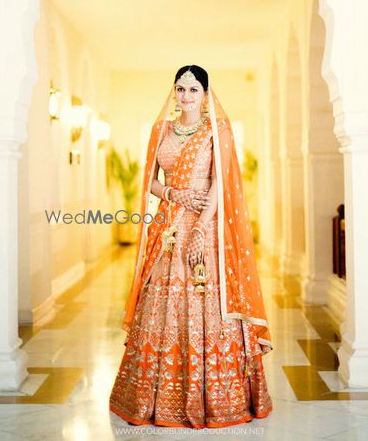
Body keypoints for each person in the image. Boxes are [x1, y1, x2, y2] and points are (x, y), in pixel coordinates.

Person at [109, 65, 273, 428]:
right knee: (160, 301)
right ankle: (154, 395)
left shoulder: (218, 131)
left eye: (193, 89)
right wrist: (172, 193)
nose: (185, 96)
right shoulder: (161, 131)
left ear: (205, 93)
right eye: (180, 89)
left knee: (209, 300)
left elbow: (220, 183)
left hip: (206, 226)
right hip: (168, 226)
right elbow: (150, 181)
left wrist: (200, 227)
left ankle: (217, 395)